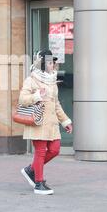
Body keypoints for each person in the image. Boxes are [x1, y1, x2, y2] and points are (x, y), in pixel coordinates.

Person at [19, 50, 73, 195]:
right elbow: (22, 99)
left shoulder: (52, 81)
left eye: (53, 62)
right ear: (42, 63)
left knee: (55, 150)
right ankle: (39, 183)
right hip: (38, 121)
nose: (53, 65)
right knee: (41, 151)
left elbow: (56, 105)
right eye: (49, 62)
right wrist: (37, 95)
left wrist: (65, 121)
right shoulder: (31, 80)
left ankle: (31, 169)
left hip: (52, 123)